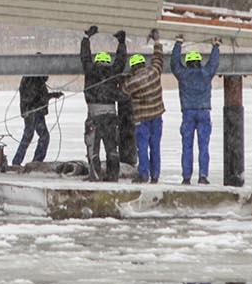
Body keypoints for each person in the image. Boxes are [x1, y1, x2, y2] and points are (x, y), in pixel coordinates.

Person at [170, 36, 221, 185]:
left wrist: (178, 44)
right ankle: (203, 176)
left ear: (188, 62)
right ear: (199, 62)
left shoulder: (183, 75)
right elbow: (214, 63)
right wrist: (215, 47)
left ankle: (186, 177)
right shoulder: (206, 73)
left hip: (188, 113)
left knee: (187, 146)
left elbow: (174, 64)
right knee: (203, 146)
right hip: (204, 112)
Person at [80, 27, 127, 182]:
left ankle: (95, 175)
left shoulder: (90, 70)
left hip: (94, 115)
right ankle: (113, 176)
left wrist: (86, 38)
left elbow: (85, 57)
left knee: (93, 148)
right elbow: (121, 61)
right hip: (110, 117)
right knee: (112, 148)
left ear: (97, 61)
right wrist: (121, 42)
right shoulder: (113, 71)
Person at [123, 39, 165, 184]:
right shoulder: (154, 72)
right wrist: (157, 43)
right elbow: (158, 59)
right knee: (155, 147)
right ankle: (155, 175)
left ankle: (143, 174)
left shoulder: (132, 82)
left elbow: (123, 90)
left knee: (142, 147)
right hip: (157, 117)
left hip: (141, 120)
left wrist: (127, 76)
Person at [12, 75, 62, 166]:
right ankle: (29, 162)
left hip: (36, 112)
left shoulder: (37, 79)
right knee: (35, 136)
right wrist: (45, 99)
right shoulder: (32, 79)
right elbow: (32, 97)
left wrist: (52, 95)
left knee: (36, 136)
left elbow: (39, 95)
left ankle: (27, 161)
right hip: (32, 112)